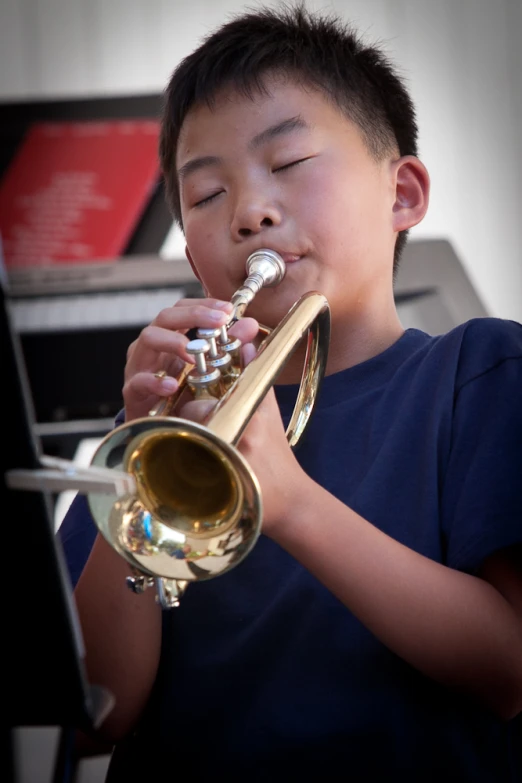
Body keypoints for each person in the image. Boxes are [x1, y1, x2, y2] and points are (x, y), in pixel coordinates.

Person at [58, 5, 522, 780]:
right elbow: (95, 716)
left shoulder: (481, 372)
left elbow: (508, 667)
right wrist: (130, 466)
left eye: (292, 163)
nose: (249, 213)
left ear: (401, 194)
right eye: (204, 197)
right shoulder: (161, 432)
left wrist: (294, 503)